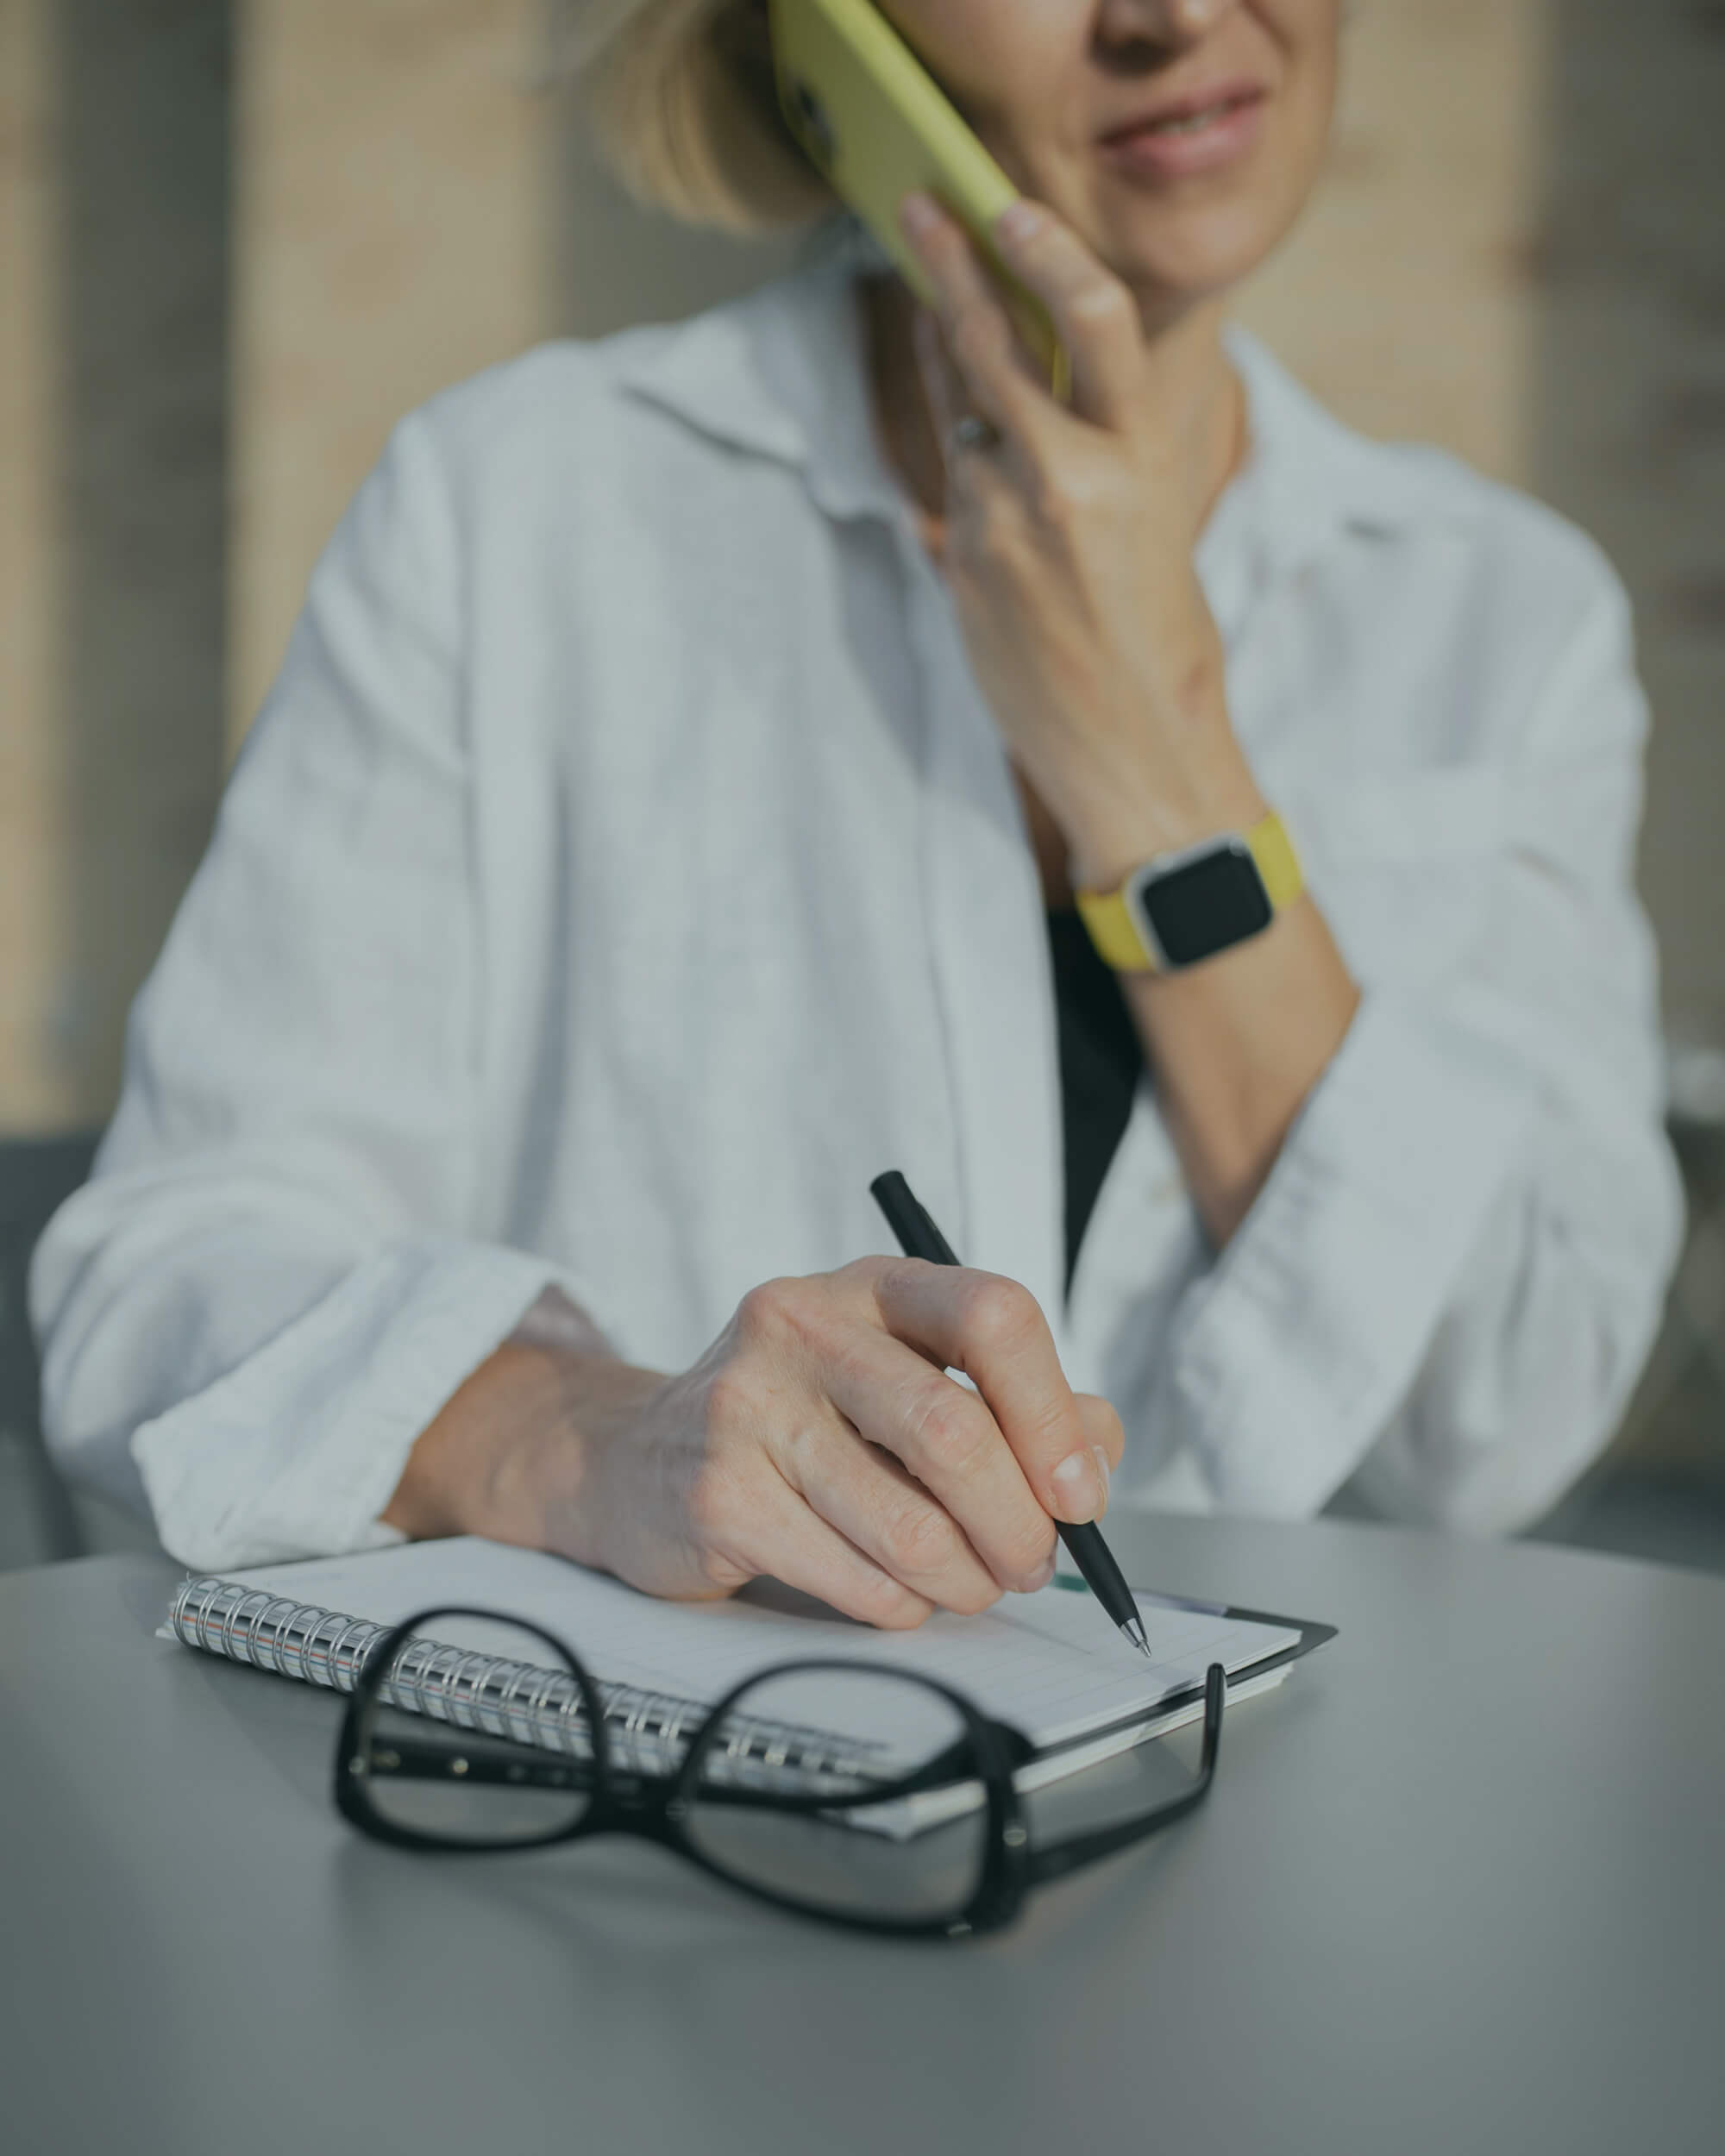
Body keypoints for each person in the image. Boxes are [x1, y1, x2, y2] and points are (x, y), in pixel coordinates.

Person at [33, 0, 1681, 1614]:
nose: (1176, 17)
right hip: (685, 1815)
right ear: (824, 38)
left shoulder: (1503, 618)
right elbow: (161, 1281)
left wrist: (1159, 762)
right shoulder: (517, 511)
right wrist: (595, 1436)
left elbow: (1514, 1417)